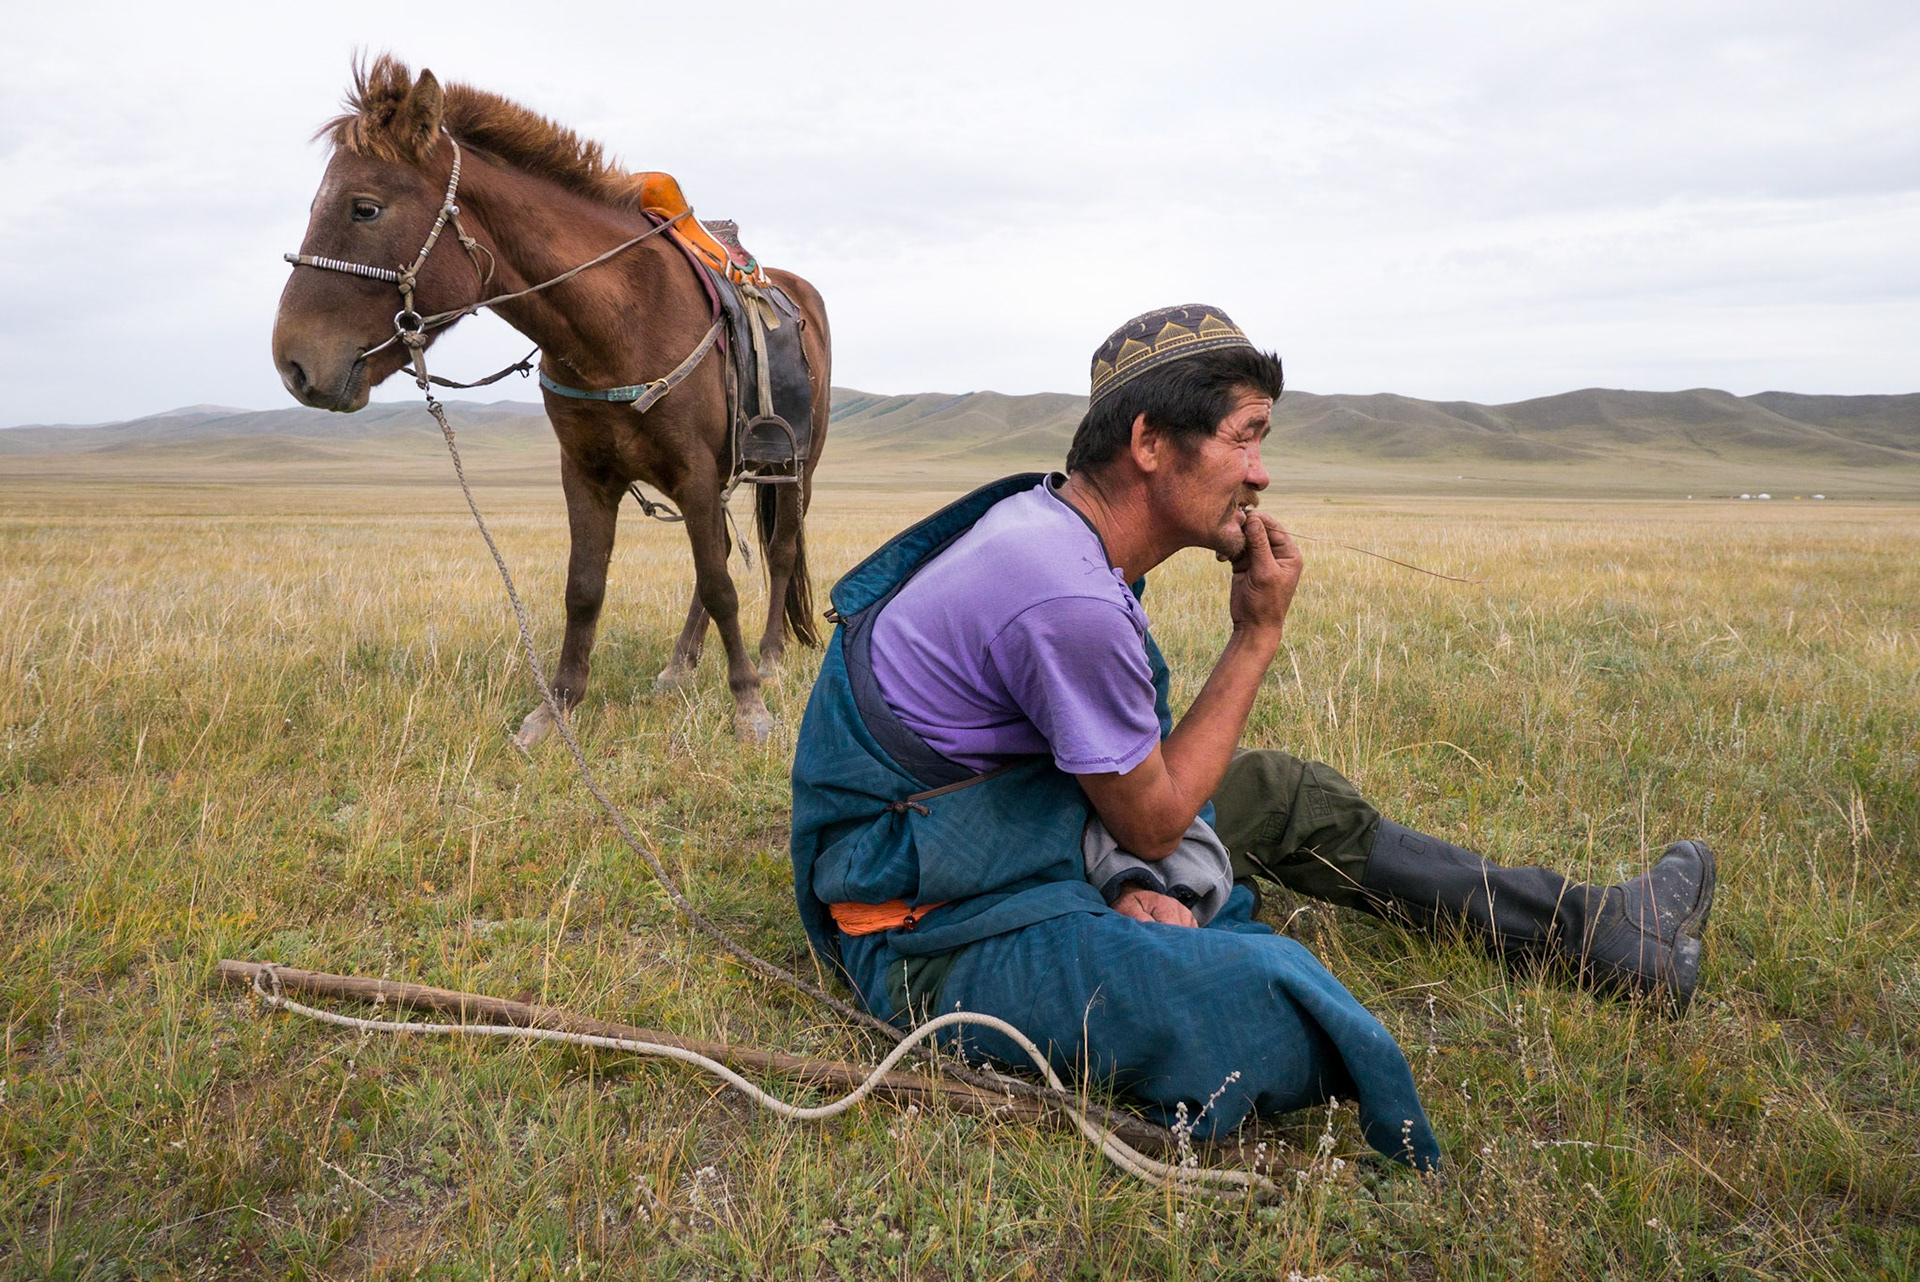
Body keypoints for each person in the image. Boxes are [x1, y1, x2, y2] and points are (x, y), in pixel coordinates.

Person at [789, 305, 1714, 1168]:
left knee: (1278, 795)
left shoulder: (1051, 528)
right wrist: (1256, 633)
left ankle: (1596, 933)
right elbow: (1151, 823)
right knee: (1254, 1000)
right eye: (1246, 438)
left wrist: (1122, 876)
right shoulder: (1064, 593)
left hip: (1003, 833)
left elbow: (1118, 798)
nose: (1261, 473)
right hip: (922, 920)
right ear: (1149, 441)